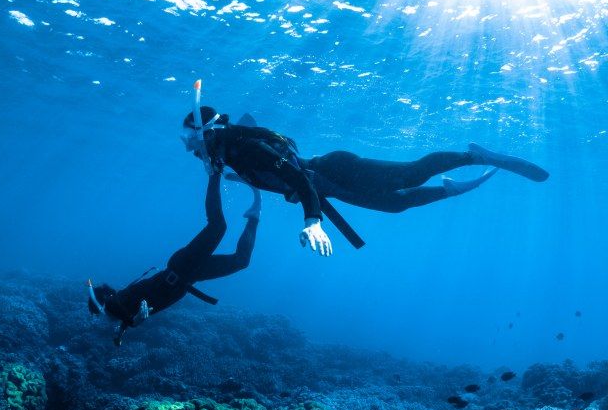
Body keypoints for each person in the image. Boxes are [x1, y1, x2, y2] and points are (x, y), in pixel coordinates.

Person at [181, 84, 549, 257]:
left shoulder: (244, 147)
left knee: (410, 174)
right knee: (395, 205)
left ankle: (479, 156)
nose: (190, 148)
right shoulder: (232, 155)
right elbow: (276, 179)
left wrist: (312, 221)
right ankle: (451, 188)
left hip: (335, 171)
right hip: (331, 187)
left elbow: (295, 178)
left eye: (192, 140)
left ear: (208, 132)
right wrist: (241, 183)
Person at [87, 173, 261, 345]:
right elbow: (123, 317)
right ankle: (254, 215)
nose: (102, 320)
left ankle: (215, 172)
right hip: (191, 276)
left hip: (183, 266)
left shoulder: (114, 306)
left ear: (103, 304)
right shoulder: (123, 306)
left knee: (218, 226)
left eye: (98, 314)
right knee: (241, 261)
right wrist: (121, 331)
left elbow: (115, 311)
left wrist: (134, 322)